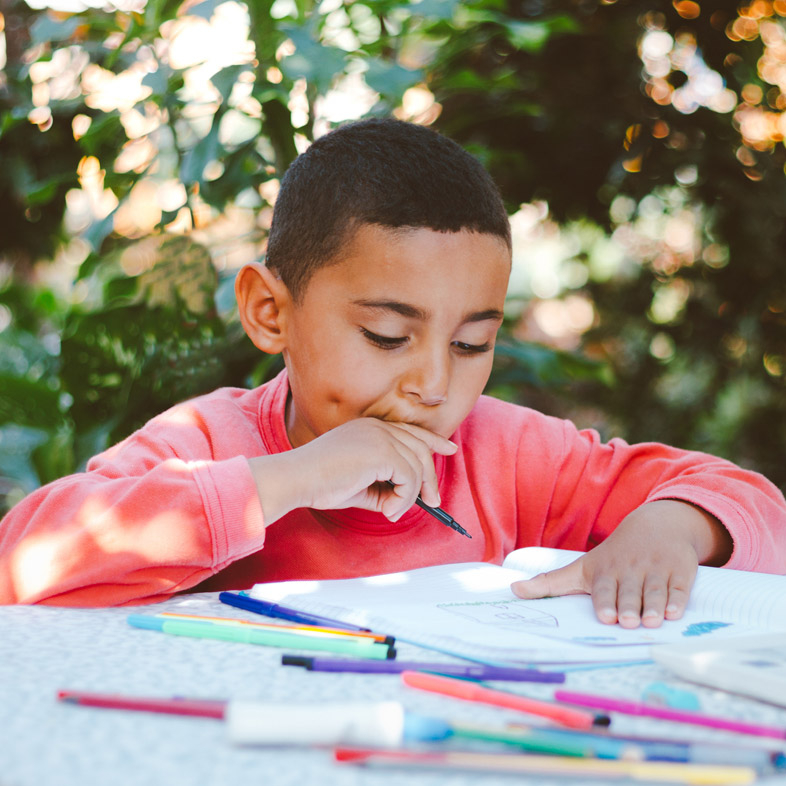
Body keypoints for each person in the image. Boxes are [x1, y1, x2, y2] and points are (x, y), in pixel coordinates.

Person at [1, 118, 784, 628]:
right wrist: (284, 480)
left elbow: (753, 504)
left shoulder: (509, 456)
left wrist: (669, 528)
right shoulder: (208, 440)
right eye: (385, 335)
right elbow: (21, 563)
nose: (433, 385)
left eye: (472, 345)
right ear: (272, 313)